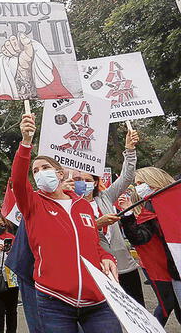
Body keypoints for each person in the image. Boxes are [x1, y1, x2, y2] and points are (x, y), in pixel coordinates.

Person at [12, 113, 121, 332]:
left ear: (60, 174)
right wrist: (25, 143)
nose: (40, 173)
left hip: (98, 299)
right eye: (35, 171)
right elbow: (17, 178)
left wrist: (107, 257)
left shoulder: (83, 206)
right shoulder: (32, 203)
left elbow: (93, 244)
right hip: (54, 302)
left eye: (45, 168)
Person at [72, 129, 144, 305]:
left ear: (96, 182)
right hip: (98, 269)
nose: (83, 184)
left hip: (124, 266)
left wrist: (129, 149)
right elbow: (73, 234)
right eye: (78, 180)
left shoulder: (105, 198)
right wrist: (97, 224)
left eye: (88, 180)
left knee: (137, 310)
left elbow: (126, 177)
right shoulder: (70, 206)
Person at [119, 167, 181, 327]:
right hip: (176, 270)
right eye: (137, 183)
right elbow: (140, 237)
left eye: (141, 182)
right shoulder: (151, 205)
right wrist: (127, 216)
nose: (139, 187)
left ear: (154, 180)